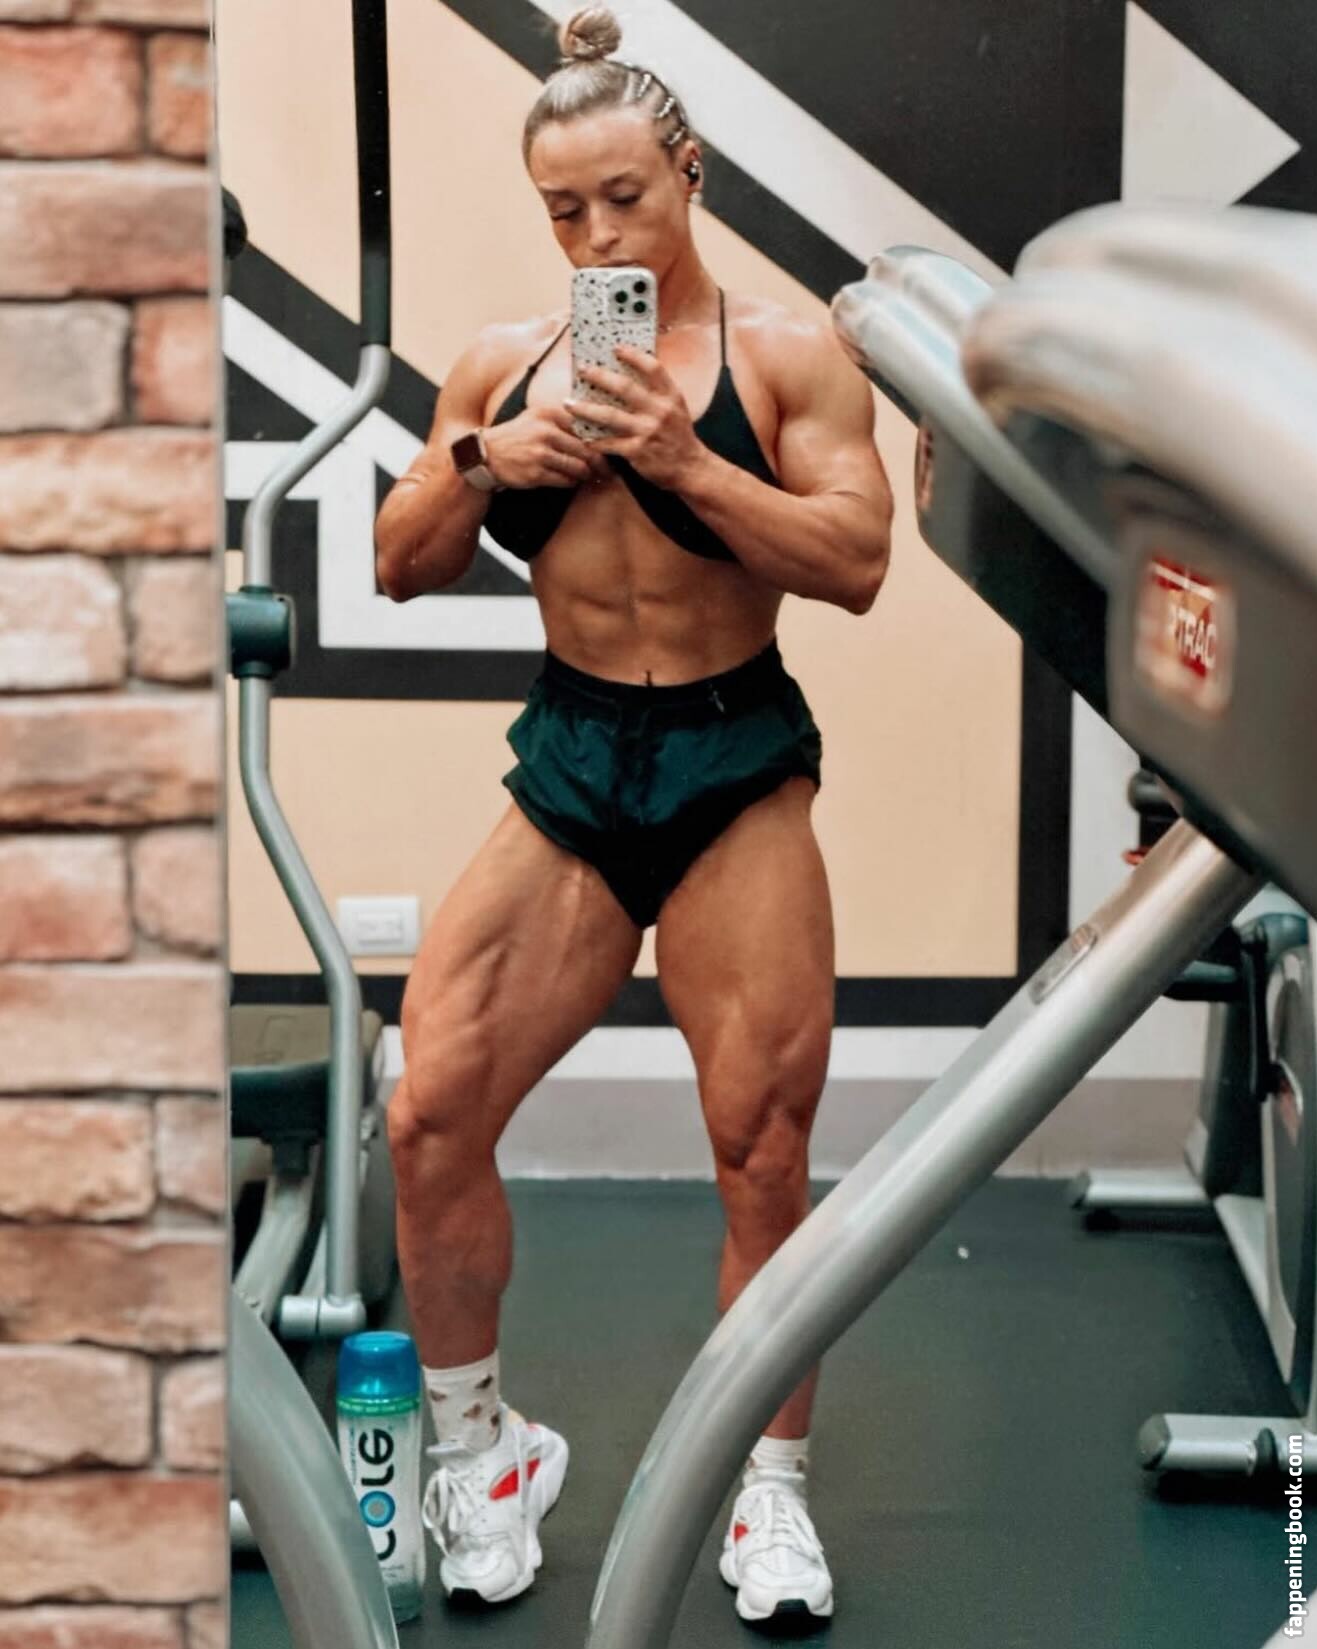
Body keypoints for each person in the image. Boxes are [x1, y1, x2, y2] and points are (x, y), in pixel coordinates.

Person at [373, 5, 893, 1625]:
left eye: (623, 197)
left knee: (762, 1146)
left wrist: (689, 462)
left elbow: (858, 563)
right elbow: (398, 561)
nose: (599, 235)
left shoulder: (788, 355)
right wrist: (485, 457)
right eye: (564, 211)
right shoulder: (506, 366)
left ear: (688, 171)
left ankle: (768, 1491)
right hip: (578, 753)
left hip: (736, 759)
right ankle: (483, 1457)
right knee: (429, 1106)